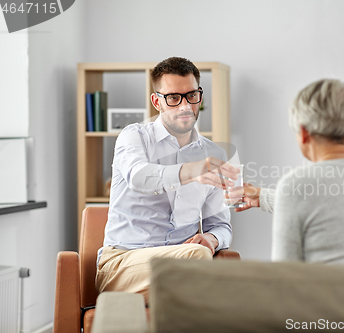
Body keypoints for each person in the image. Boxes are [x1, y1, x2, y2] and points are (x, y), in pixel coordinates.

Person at [96, 57, 239, 301]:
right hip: (122, 263)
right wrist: (192, 170)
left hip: (183, 263)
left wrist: (212, 239)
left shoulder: (215, 155)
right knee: (198, 263)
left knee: (198, 261)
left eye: (191, 95)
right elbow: (139, 177)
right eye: (173, 98)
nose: (185, 106)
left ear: (199, 97)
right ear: (157, 102)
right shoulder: (134, 137)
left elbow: (221, 225)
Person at [231, 79, 344, 265]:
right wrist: (264, 196)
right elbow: (332, 202)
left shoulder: (296, 185)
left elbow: (284, 275)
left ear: (304, 133)